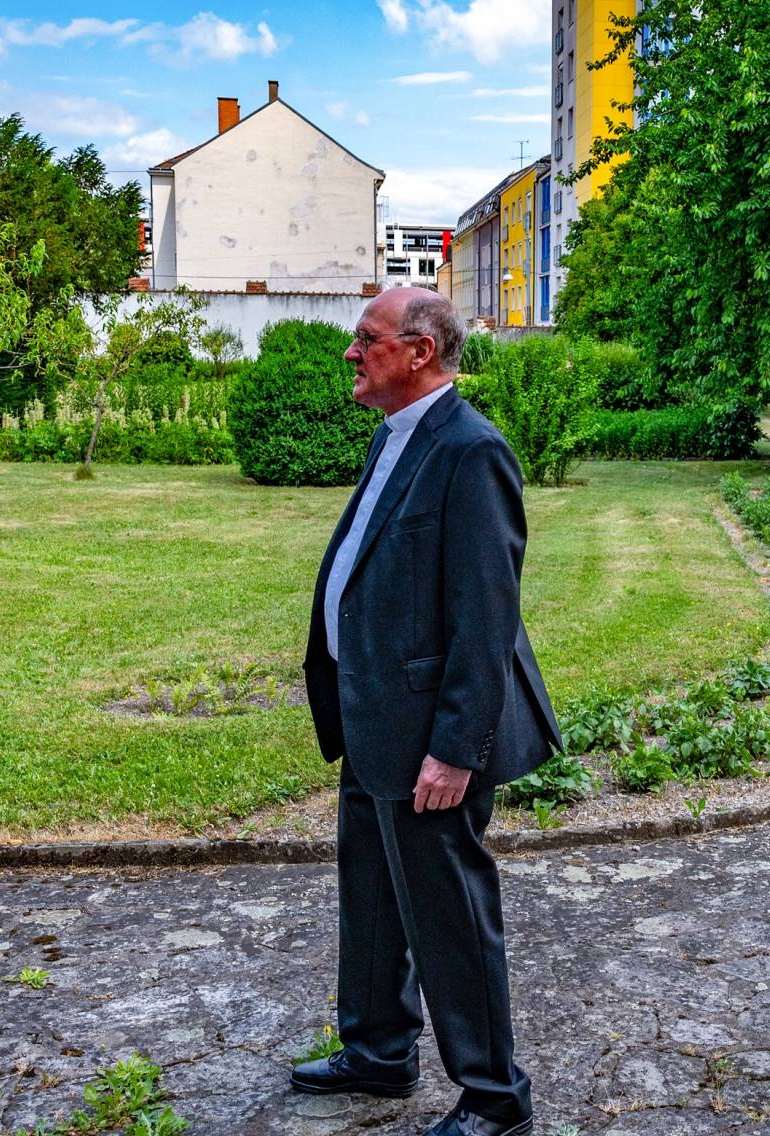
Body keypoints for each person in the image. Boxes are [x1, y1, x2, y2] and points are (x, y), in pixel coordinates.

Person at [291, 287, 560, 1136]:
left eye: (365, 338)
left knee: (449, 916)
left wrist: (456, 748)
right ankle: (377, 1052)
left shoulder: (470, 450)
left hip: (428, 743)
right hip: (372, 717)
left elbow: (486, 619)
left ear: (417, 352)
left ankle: (493, 1099)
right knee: (369, 896)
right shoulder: (396, 436)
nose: (351, 352)